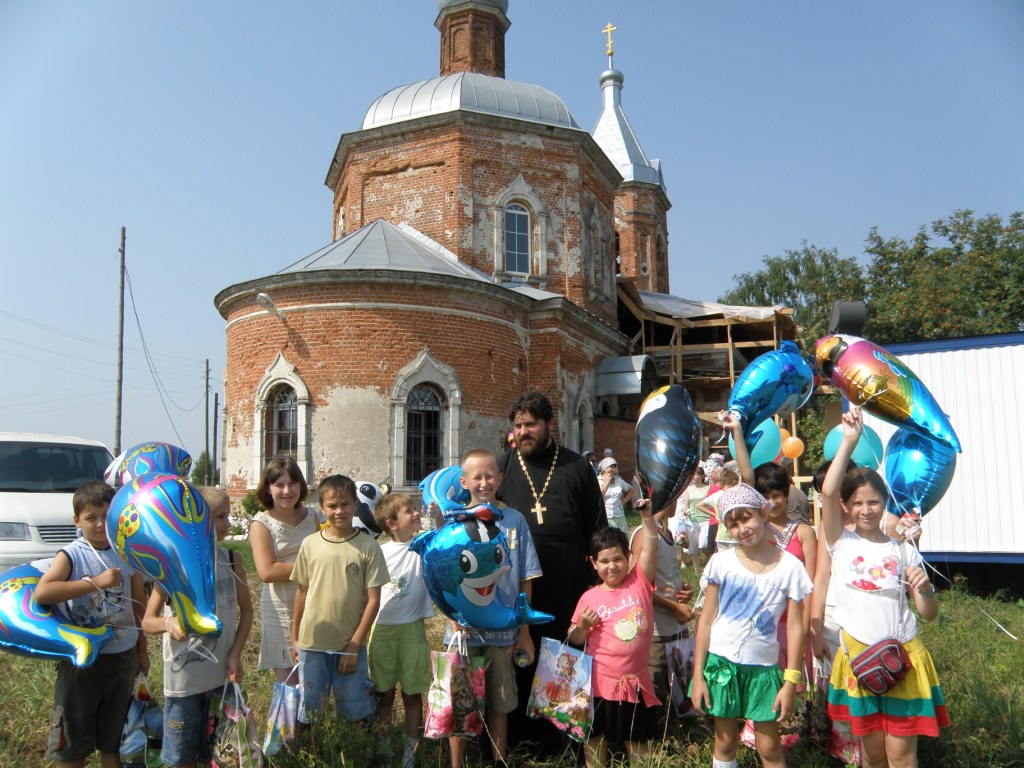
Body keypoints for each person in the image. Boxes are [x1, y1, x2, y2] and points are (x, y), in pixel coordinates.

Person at [821, 407, 948, 768]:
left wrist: (924, 589)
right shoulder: (840, 543)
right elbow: (828, 492)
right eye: (857, 503)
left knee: (902, 757)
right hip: (859, 659)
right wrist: (849, 440)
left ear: (885, 504)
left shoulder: (902, 548)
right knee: (872, 755)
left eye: (874, 501)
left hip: (902, 657)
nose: (866, 509)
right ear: (846, 507)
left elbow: (929, 614)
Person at [496, 392, 605, 750]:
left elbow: (596, 527)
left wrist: (597, 582)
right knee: (518, 655)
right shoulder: (504, 466)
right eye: (518, 425)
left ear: (548, 424)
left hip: (566, 581)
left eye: (530, 424)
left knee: (562, 656)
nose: (523, 431)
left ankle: (559, 739)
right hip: (516, 584)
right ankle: (517, 736)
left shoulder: (576, 467)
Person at [689, 484, 813, 768]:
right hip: (722, 667)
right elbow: (706, 620)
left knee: (769, 746)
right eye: (732, 524)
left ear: (762, 514)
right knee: (725, 740)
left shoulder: (791, 567)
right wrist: (699, 675)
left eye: (746, 518)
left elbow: (795, 628)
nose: (741, 529)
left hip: (764, 670)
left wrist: (791, 681)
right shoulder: (720, 563)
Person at [35, 481, 149, 768]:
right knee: (73, 740)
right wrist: (94, 583)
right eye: (91, 517)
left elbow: (139, 606)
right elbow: (44, 592)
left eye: (105, 516)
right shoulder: (72, 553)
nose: (99, 524)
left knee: (114, 740)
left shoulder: (126, 552)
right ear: (77, 520)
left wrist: (142, 651)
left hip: (122, 657)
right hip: (81, 662)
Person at [440, 449, 542, 768]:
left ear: (499, 479)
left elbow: (526, 579)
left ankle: (499, 759)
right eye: (477, 477)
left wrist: (524, 631)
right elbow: (439, 577)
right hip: (464, 633)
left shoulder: (514, 520)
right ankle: (456, 763)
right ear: (464, 481)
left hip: (503, 632)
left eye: (489, 476)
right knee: (460, 704)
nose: (484, 482)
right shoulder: (453, 520)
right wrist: (451, 619)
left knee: (500, 701)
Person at [142, 487, 253, 768]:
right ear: (198, 521)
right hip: (184, 685)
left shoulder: (231, 560)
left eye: (228, 515)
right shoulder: (172, 565)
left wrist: (235, 653)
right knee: (181, 756)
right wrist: (169, 623)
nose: (227, 523)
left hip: (222, 680)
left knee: (220, 754)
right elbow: (148, 621)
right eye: (220, 517)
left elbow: (247, 611)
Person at [569, 500, 661, 767]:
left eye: (618, 559)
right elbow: (574, 639)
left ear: (628, 558)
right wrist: (583, 627)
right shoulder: (590, 597)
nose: (612, 566)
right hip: (599, 685)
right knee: (596, 742)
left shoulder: (639, 583)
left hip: (635, 684)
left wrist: (646, 517)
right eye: (605, 561)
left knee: (638, 742)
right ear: (593, 563)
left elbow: (651, 546)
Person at [291, 474, 389, 726]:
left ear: (355, 505)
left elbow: (373, 600)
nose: (339, 511)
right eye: (332, 506)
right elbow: (302, 592)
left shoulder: (368, 546)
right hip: (312, 643)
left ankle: (353, 755)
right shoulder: (310, 544)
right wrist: (294, 638)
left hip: (349, 644)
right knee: (310, 711)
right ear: (321, 508)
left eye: (345, 504)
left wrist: (355, 645)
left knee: (354, 712)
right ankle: (314, 754)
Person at [369, 492, 433, 768]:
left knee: (412, 695)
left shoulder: (426, 546)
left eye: (416, 508)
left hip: (412, 631)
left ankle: (410, 756)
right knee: (384, 696)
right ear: (392, 523)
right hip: (381, 631)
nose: (417, 513)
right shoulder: (379, 552)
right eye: (409, 511)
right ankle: (382, 753)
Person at [249, 456, 320, 683]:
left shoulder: (312, 516)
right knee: (288, 677)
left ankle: (309, 719)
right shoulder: (261, 523)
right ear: (268, 489)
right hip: (280, 607)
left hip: (313, 601)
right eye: (279, 484)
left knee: (313, 673)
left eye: (292, 483)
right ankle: (286, 720)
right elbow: (267, 572)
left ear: (301, 485)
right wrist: (313, 567)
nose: (287, 490)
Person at [628, 502, 693, 708]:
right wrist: (674, 608)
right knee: (653, 695)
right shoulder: (644, 534)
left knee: (681, 695)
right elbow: (637, 584)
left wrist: (682, 588)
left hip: (676, 627)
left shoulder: (666, 531)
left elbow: (662, 575)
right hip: (655, 631)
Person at [674, 466, 710, 571]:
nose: (694, 477)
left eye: (696, 474)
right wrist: (686, 510)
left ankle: (710, 561)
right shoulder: (689, 489)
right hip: (692, 520)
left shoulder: (707, 488)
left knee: (703, 544)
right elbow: (686, 505)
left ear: (702, 476)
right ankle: (697, 571)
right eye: (693, 475)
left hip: (706, 520)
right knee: (693, 547)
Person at [698, 467, 740, 551]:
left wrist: (714, 514)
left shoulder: (715, 495)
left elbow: (699, 505)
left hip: (720, 536)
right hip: (734, 535)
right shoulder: (735, 495)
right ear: (734, 481)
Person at [597, 457, 632, 532]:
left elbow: (631, 490)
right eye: (611, 467)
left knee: (622, 538)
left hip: (619, 515)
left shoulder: (618, 479)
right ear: (604, 468)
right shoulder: (597, 480)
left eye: (615, 467)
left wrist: (623, 501)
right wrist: (606, 482)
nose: (613, 469)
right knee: (608, 539)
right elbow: (597, 495)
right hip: (604, 516)